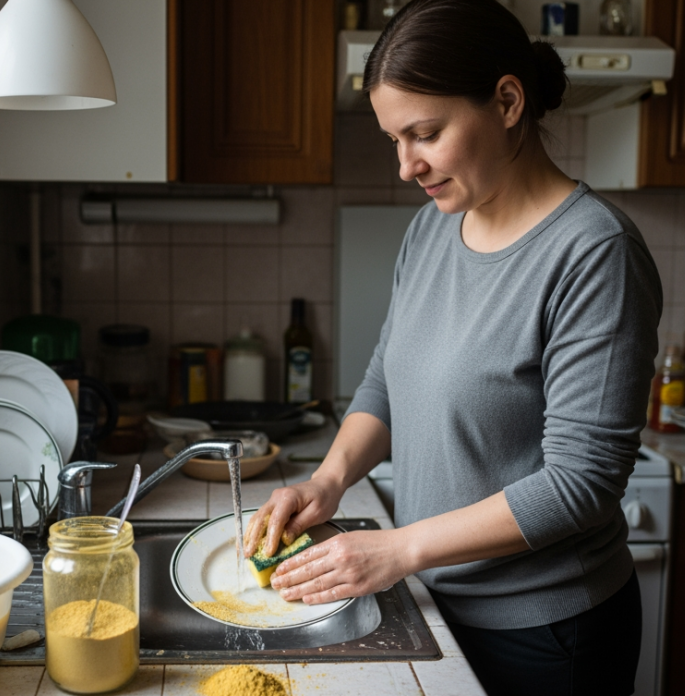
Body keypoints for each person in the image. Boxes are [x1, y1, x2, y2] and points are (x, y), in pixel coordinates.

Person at [242, 1, 663, 693]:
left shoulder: (595, 252)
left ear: (505, 101)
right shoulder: (435, 228)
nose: (407, 166)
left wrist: (399, 548)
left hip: (547, 636)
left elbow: (581, 485)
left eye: (426, 133)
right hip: (437, 602)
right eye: (394, 140)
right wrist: (327, 479)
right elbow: (386, 379)